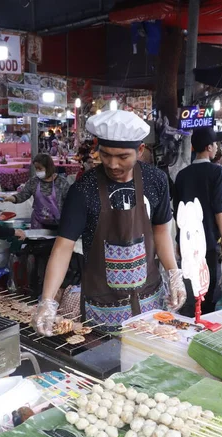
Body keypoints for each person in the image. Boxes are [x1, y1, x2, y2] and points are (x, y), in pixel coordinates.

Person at [33, 110, 186, 336]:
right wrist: (47, 301)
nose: (113, 164)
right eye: (105, 155)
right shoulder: (83, 189)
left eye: (123, 157)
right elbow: (63, 247)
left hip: (149, 301)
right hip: (102, 307)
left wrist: (173, 273)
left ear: (140, 150)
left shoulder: (156, 180)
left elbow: (161, 231)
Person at [174, 127, 222, 315]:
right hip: (208, 240)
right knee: (209, 284)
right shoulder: (217, 172)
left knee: (190, 283)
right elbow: (218, 208)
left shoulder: (182, 175)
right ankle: (205, 319)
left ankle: (189, 317)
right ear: (208, 147)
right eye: (215, 144)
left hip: (187, 240)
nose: (216, 148)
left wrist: (178, 241)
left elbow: (178, 213)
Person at [5, 153, 70, 229]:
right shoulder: (34, 181)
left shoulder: (62, 182)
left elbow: (70, 203)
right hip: (38, 222)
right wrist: (11, 198)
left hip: (58, 223)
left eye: (40, 168)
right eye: (36, 168)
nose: (37, 171)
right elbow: (22, 195)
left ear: (48, 168)